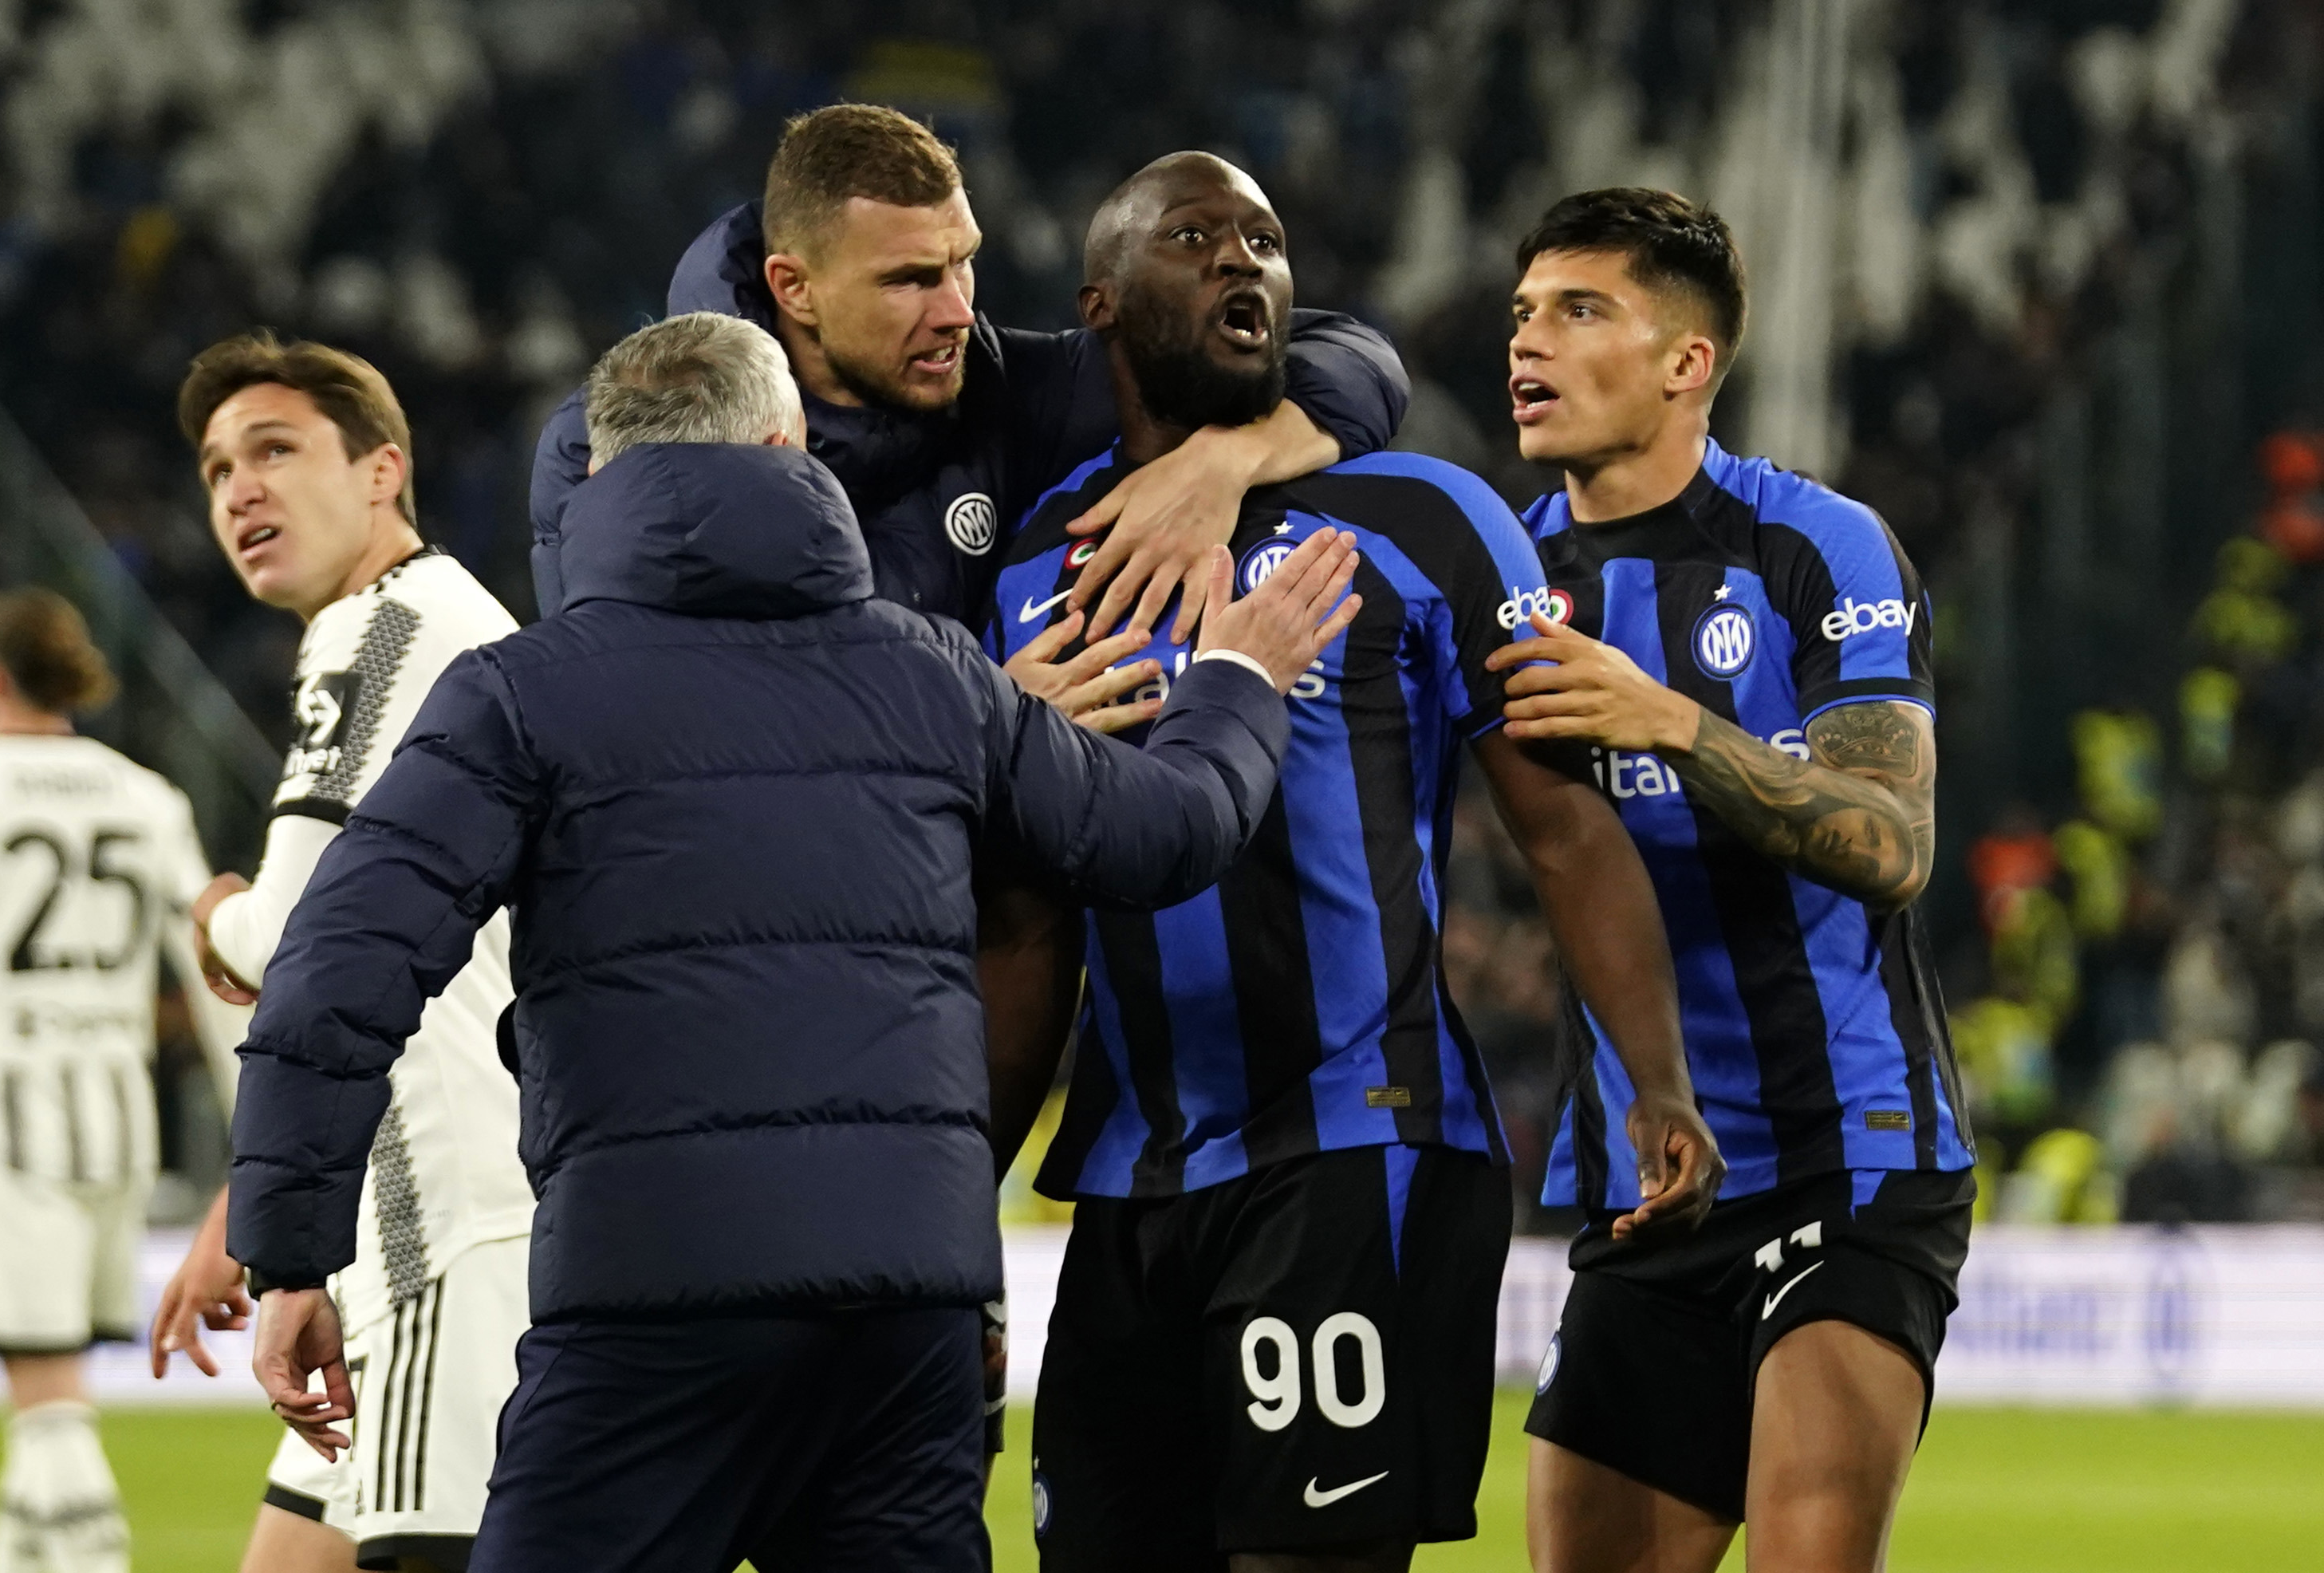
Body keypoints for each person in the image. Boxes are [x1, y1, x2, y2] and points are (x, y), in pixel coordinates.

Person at [229, 309, 1365, 1573]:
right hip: (902, 1317)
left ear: (602, 476)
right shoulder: (934, 675)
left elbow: (337, 965)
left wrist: (291, 1252)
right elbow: (1167, 834)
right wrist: (1236, 680)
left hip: (650, 1300)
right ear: (786, 445)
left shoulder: (520, 693)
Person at [987, 152, 1722, 1573]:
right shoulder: (1034, 559)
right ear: (1099, 303)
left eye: (1262, 239)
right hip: (1130, 1178)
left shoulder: (1427, 519)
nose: (1240, 263)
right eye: (1193, 238)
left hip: (1353, 1144)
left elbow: (1564, 828)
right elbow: (1018, 915)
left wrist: (1653, 1076)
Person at [1490, 188, 1973, 1573]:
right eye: (1523, 311)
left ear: (1684, 363)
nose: (1528, 341)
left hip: (1853, 1152)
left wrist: (1672, 723)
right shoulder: (1509, 581)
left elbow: (1891, 841)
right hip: (1650, 1183)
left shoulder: (1815, 548)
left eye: (1579, 311)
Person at [151, 332, 537, 1573]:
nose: (239, 491)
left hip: (442, 1239)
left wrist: (209, 911)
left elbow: (295, 937)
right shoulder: (447, 622)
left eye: (274, 450)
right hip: (394, 1232)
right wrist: (251, 1202)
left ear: (382, 472)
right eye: (216, 471)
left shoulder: (380, 629)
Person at [530, 102, 1408, 646]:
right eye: (910, 280)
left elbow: (1346, 355)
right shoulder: (632, 439)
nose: (957, 310)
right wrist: (1000, 728)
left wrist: (1227, 461)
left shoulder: (998, 388)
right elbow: (706, 730)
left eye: (963, 264)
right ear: (793, 288)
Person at [0, 588, 246, 1573]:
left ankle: (92, 1555)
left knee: (45, 1404)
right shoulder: (147, 797)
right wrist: (258, 1128)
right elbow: (222, 972)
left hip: (1, 1125)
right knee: (54, 1386)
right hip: (118, 1126)